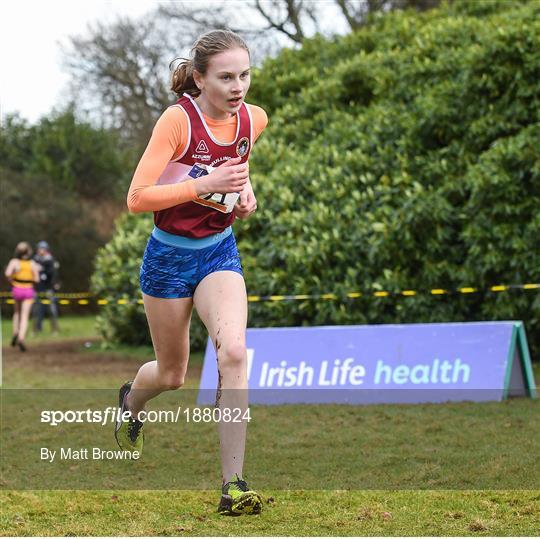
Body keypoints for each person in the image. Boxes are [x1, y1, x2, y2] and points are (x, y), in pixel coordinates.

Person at [116, 29, 268, 516]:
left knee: (236, 351)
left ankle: (234, 486)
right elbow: (138, 198)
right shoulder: (177, 122)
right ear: (200, 79)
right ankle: (130, 404)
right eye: (225, 76)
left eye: (244, 74)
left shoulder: (253, 120)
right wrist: (207, 182)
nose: (237, 85)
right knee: (172, 374)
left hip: (219, 253)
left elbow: (238, 179)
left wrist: (244, 197)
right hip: (168, 258)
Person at [4, 242, 40, 351]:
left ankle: (15, 332)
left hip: (17, 289)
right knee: (25, 316)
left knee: (16, 313)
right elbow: (37, 279)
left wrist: (12, 279)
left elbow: (7, 273)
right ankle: (21, 337)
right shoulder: (32, 263)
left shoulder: (14, 262)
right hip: (28, 290)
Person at [33, 241, 60, 333]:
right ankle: (37, 329)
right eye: (40, 248)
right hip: (37, 289)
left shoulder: (50, 260)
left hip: (49, 289)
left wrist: (42, 269)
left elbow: (53, 273)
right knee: (37, 310)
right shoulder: (35, 260)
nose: (41, 250)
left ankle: (54, 329)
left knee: (52, 310)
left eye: (43, 248)